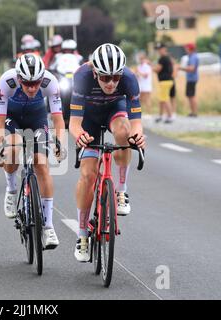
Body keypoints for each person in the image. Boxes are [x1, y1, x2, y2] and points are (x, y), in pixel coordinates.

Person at [69, 43, 145, 262]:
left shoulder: (129, 79)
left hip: (115, 110)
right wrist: (80, 136)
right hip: (89, 118)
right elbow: (74, 124)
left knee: (124, 131)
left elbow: (136, 122)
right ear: (95, 73)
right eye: (104, 78)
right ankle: (82, 234)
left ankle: (121, 190)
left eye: (115, 78)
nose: (111, 83)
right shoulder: (82, 76)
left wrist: (137, 136)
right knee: (88, 175)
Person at [0, 53, 66, 249]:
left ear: (42, 78)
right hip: (12, 117)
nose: (32, 88)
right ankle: (11, 188)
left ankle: (48, 226)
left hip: (37, 118)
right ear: (19, 79)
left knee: (41, 164)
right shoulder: (6, 82)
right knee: (14, 146)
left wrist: (59, 142)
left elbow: (58, 119)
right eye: (27, 84)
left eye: (36, 83)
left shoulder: (51, 82)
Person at [153, 43, 173, 123]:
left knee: (165, 99)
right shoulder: (167, 58)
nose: (159, 51)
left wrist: (151, 66)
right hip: (166, 81)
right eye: (158, 49)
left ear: (164, 49)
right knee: (162, 99)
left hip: (165, 81)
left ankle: (170, 116)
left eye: (160, 49)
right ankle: (160, 116)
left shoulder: (163, 58)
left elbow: (157, 69)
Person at [179, 43, 199, 117]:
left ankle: (194, 112)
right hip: (191, 78)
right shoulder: (191, 56)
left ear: (190, 49)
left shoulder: (193, 57)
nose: (185, 50)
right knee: (190, 95)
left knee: (192, 95)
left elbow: (192, 68)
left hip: (192, 78)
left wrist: (180, 68)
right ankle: (193, 111)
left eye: (187, 48)